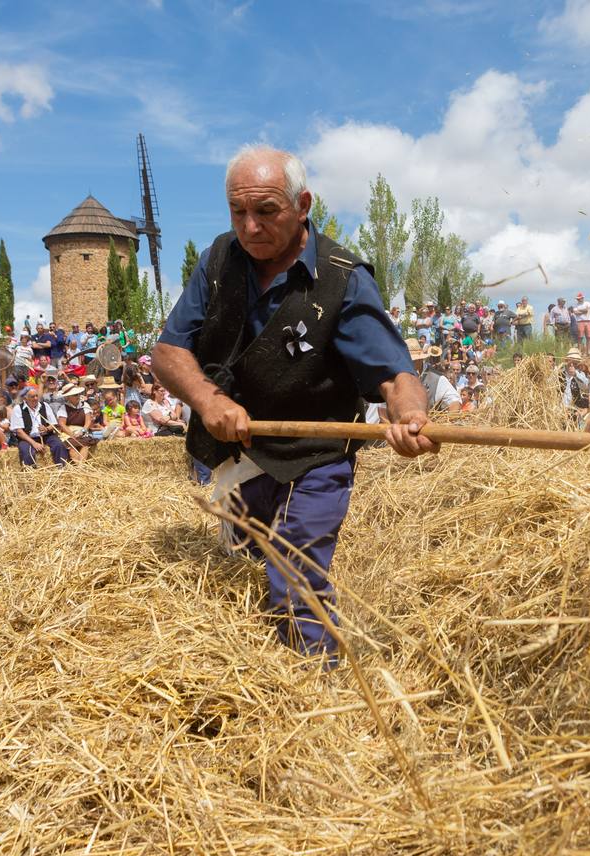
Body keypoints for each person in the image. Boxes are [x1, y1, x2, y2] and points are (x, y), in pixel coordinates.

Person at [152, 144, 437, 662]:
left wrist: (410, 416)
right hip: (238, 454)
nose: (250, 227)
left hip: (315, 455)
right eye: (238, 212)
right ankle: (255, 689)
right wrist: (207, 399)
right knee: (238, 576)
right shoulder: (218, 260)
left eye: (266, 211)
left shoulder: (342, 278)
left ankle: (315, 692)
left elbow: (395, 376)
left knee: (294, 577)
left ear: (302, 204)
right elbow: (170, 352)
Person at [10, 386, 69, 467]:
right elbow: (19, 432)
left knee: (59, 445)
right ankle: (31, 474)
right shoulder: (18, 409)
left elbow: (53, 424)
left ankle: (62, 468)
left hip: (46, 435)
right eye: (32, 396)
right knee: (27, 452)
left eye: (36, 396)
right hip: (27, 438)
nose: (35, 398)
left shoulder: (44, 405)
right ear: (25, 398)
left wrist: (47, 429)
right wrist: (34, 443)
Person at [411, 341, 459, 411]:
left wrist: (450, 418)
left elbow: (454, 401)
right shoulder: (398, 377)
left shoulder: (437, 378)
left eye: (412, 361)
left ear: (419, 360)